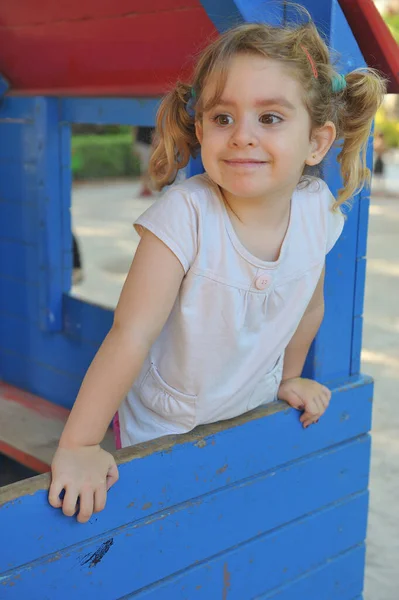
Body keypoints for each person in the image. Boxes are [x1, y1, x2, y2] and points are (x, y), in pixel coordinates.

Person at [49, 15, 386, 523]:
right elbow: (130, 334)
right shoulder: (184, 216)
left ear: (317, 143)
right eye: (223, 118)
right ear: (201, 127)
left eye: (269, 118)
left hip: (243, 412)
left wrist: (287, 378)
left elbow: (309, 306)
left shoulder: (317, 211)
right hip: (160, 426)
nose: (241, 136)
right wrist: (79, 444)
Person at [134, 126, 155, 196]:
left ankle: (146, 187)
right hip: (144, 144)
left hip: (146, 144)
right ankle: (145, 188)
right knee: (146, 168)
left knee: (147, 168)